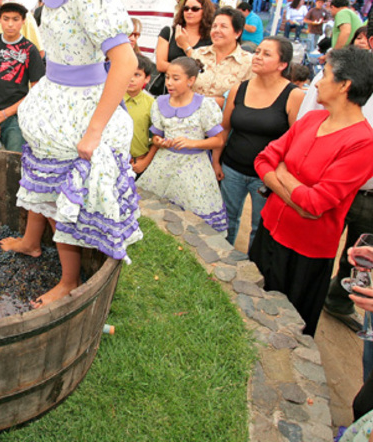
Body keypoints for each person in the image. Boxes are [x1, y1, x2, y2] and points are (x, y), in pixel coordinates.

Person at [0, 0, 142, 306]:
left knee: (65, 195)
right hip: (57, 101)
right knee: (42, 176)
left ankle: (68, 280)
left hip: (82, 111)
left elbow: (124, 62)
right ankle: (31, 240)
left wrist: (93, 133)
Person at [250, 45, 373, 337]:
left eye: (326, 75)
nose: (317, 82)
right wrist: (295, 191)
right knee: (251, 309)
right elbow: (263, 158)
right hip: (269, 231)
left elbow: (315, 204)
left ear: (345, 86)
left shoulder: (363, 143)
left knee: (287, 332)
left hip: (304, 255)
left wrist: (281, 174)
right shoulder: (312, 119)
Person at [212, 36, 304, 248]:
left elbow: (296, 143)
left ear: (282, 65)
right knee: (226, 221)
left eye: (267, 54)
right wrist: (216, 161)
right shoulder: (239, 89)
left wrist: (280, 175)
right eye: (258, 51)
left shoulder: (293, 95)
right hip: (232, 169)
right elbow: (224, 128)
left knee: (260, 227)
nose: (258, 57)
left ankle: (253, 271)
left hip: (267, 177)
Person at [140, 57, 227, 232]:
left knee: (193, 222)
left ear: (191, 80)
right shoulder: (159, 102)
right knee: (153, 214)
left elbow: (219, 140)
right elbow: (156, 136)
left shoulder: (205, 105)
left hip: (194, 168)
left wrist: (192, 143)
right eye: (167, 77)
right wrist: (160, 142)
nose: (169, 83)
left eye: (176, 78)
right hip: (163, 166)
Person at [0, 2, 44, 152]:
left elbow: (36, 91)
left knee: (14, 163)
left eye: (15, 19)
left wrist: (4, 114)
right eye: (6, 19)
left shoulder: (30, 50)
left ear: (23, 21)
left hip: (16, 116)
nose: (10, 24)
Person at [188, 7, 253, 108]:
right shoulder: (198, 54)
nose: (217, 30)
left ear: (238, 33)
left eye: (223, 27)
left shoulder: (248, 62)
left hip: (223, 120)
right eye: (214, 26)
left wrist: (204, 101)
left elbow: (246, 99)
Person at [155, 0, 214, 76]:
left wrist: (185, 45)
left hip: (196, 87)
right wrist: (189, 70)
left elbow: (204, 68)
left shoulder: (210, 38)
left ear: (205, 11)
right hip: (167, 86)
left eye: (195, 9)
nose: (189, 12)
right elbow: (160, 65)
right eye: (186, 8)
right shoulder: (169, 32)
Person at [124, 54, 157, 177]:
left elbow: (157, 136)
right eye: (128, 73)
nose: (131, 79)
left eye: (137, 75)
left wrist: (145, 161)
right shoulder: (112, 99)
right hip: (112, 158)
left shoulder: (152, 104)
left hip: (138, 162)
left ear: (147, 78)